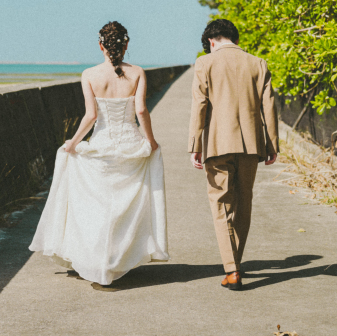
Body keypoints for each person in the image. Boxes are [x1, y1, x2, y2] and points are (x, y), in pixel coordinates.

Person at [29, 21, 169, 285]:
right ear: (126, 45)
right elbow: (140, 112)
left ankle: (97, 260)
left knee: (99, 205)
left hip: (102, 144)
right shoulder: (138, 72)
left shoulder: (89, 74)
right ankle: (116, 261)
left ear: (100, 45)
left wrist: (73, 143)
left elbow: (91, 116)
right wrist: (151, 141)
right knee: (125, 206)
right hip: (130, 143)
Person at [188, 19, 279, 291]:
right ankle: (234, 266)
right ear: (234, 38)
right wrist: (271, 144)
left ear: (211, 41)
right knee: (243, 203)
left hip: (217, 144)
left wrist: (195, 144)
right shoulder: (258, 63)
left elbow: (199, 105)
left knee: (221, 206)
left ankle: (232, 269)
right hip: (251, 146)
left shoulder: (205, 63)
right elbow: (269, 106)